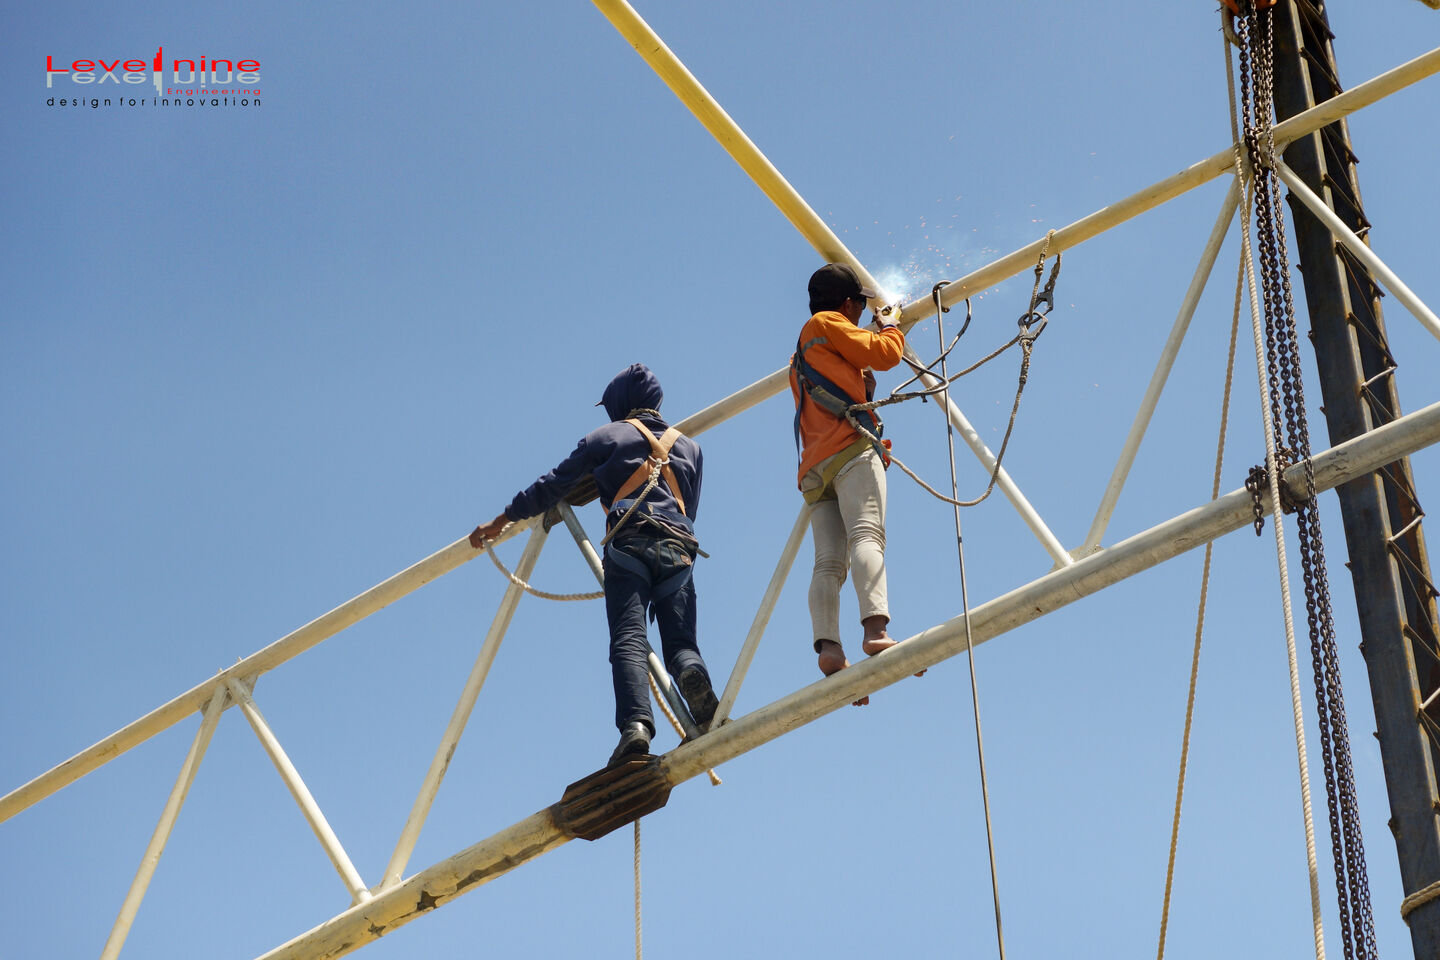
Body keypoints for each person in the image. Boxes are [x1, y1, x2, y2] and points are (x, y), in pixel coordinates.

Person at [469, 363, 718, 767]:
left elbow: (552, 485)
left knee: (629, 638)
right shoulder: (691, 448)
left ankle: (636, 727)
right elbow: (690, 507)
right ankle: (693, 674)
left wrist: (501, 520)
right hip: (679, 548)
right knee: (682, 645)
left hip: (629, 545)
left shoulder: (604, 437)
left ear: (619, 403)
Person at [789, 263, 918, 705]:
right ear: (847, 304)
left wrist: (862, 386)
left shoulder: (801, 354)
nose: (862, 316)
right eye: (860, 309)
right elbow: (884, 354)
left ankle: (829, 648)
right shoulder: (828, 323)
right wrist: (891, 326)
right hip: (849, 452)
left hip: (815, 468)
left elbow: (839, 385)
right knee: (867, 536)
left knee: (828, 563)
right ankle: (876, 630)